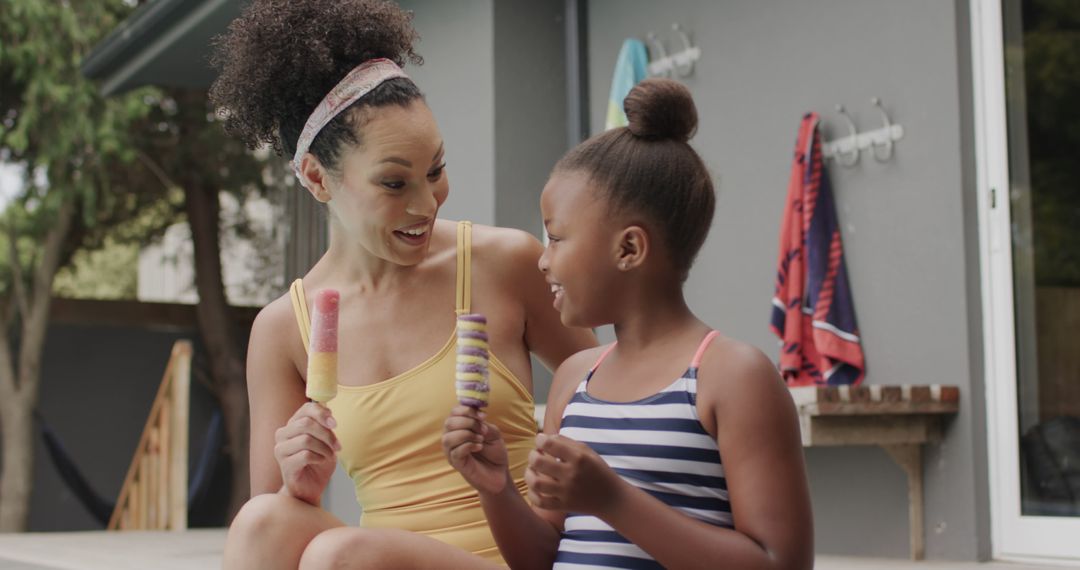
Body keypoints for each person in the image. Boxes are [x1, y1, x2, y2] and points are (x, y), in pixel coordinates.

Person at [211, 1, 597, 568]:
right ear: (318, 177)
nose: (427, 203)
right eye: (395, 183)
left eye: (435, 171)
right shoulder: (283, 329)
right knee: (263, 519)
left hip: (520, 557)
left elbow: (610, 403)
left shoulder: (505, 263)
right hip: (374, 559)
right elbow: (275, 532)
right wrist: (303, 483)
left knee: (340, 557)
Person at [443, 78, 814, 569]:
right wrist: (496, 490)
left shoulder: (732, 376)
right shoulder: (574, 380)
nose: (542, 261)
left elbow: (780, 562)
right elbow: (543, 558)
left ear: (629, 249)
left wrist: (614, 500)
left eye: (556, 239)